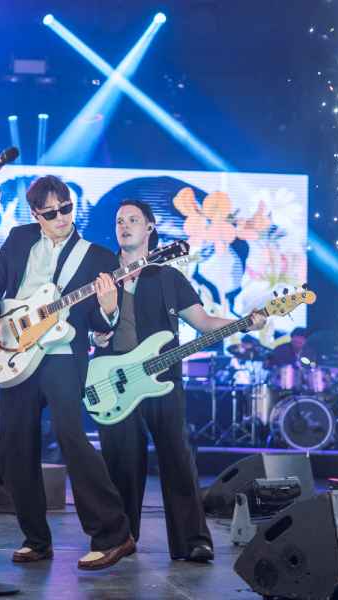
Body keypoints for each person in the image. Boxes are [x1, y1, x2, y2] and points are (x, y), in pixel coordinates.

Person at [0, 175, 135, 570]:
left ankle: (114, 534)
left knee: (70, 437)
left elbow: (99, 323)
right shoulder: (18, 239)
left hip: (62, 354)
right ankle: (36, 539)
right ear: (36, 215)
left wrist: (110, 308)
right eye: (51, 213)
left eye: (66, 209)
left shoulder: (97, 256)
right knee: (13, 447)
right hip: (16, 353)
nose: (61, 217)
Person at [92, 199, 265, 562]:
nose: (124, 226)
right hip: (114, 381)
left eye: (133, 219)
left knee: (178, 460)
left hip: (163, 379)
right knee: (121, 463)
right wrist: (98, 333)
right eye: (120, 220)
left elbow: (204, 323)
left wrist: (245, 323)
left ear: (149, 228)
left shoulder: (168, 277)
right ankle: (121, 538)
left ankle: (192, 540)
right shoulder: (101, 276)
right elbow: (87, 329)